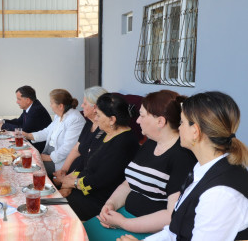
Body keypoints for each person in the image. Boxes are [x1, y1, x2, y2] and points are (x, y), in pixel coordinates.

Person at [118, 91, 248, 241]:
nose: (178, 128)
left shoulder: (220, 194)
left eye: (181, 122)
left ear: (195, 131)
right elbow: (174, 231)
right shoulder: (203, 168)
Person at [84, 90, 196, 240]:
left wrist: (125, 223)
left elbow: (171, 215)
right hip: (124, 217)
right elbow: (129, 183)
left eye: (142, 116)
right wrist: (110, 204)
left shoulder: (182, 156)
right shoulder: (149, 144)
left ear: (160, 122)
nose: (137, 121)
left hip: (146, 231)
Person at [59, 93, 140, 221]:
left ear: (112, 120)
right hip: (83, 191)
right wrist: (68, 183)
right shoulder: (105, 132)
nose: (95, 119)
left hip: (99, 200)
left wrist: (74, 183)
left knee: (54, 210)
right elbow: (87, 160)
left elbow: (101, 179)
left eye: (98, 115)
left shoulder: (124, 143)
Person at [23, 89, 86, 178]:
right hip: (50, 154)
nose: (50, 105)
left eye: (51, 103)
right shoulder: (59, 115)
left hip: (60, 160)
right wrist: (28, 135)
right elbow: (47, 132)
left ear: (60, 106)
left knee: (29, 168)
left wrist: (48, 158)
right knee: (24, 161)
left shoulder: (75, 119)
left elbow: (68, 147)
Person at [53, 86, 108, 186]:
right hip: (74, 171)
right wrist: (63, 170)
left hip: (83, 179)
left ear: (95, 107)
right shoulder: (88, 124)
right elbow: (76, 149)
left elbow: (89, 163)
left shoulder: (104, 130)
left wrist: (67, 182)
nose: (81, 106)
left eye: (85, 103)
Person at [0, 85, 52, 152]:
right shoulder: (30, 106)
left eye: (19, 99)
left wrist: (3, 126)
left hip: (39, 146)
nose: (17, 102)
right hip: (30, 141)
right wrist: (3, 121)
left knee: (7, 150)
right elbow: (19, 121)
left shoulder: (36, 110)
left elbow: (24, 129)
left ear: (27, 100)